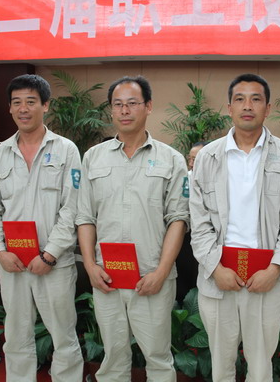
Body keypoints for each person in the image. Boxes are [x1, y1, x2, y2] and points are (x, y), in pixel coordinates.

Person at [189, 73, 280, 382]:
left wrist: (275, 269)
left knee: (260, 366)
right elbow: (198, 221)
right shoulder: (208, 157)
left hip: (266, 278)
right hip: (219, 277)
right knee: (221, 365)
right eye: (240, 99)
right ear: (229, 108)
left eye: (256, 99)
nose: (247, 106)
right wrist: (215, 267)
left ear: (267, 108)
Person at [76, 75, 189, 381]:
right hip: (107, 277)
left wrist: (161, 272)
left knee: (158, 357)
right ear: (111, 110)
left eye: (132, 103)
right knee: (113, 356)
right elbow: (84, 216)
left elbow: (178, 219)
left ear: (148, 107)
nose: (124, 111)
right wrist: (90, 266)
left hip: (151, 276)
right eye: (117, 104)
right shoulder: (93, 158)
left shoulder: (171, 159)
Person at [0, 74, 83, 382]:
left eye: (31, 102)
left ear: (45, 106)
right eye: (17, 103)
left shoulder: (66, 150)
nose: (23, 109)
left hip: (54, 264)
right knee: (16, 335)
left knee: (63, 335)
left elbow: (73, 208)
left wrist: (50, 254)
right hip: (12, 263)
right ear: (10, 108)